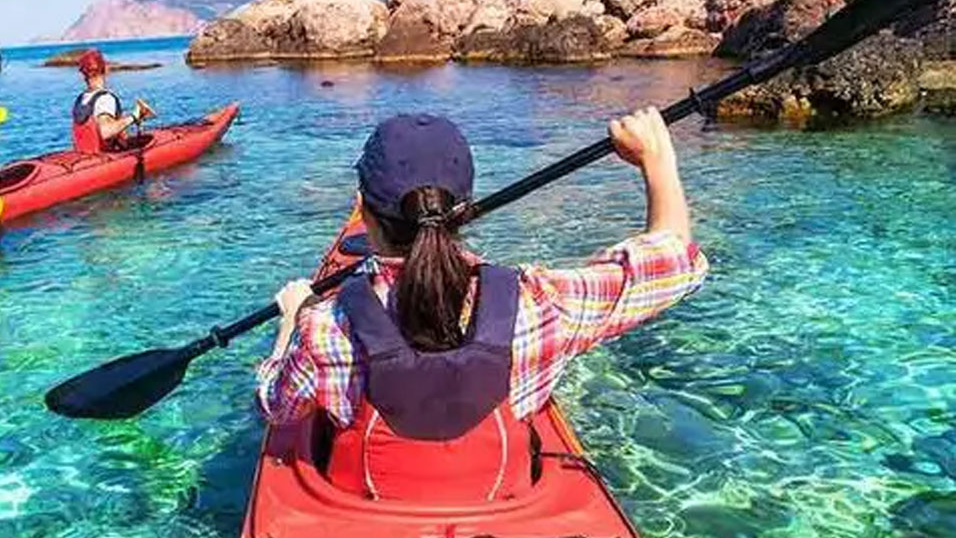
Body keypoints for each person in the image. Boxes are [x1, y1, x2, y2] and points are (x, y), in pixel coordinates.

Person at [257, 109, 707, 503]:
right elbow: (677, 263)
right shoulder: (540, 304)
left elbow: (276, 405)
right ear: (466, 210)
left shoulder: (324, 328)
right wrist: (656, 159)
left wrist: (292, 321)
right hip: (502, 510)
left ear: (362, 208)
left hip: (365, 515)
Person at [70, 49, 154, 153]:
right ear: (105, 70)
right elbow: (105, 132)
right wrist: (134, 116)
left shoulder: (82, 99)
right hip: (104, 157)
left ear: (84, 74)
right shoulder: (105, 98)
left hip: (85, 155)